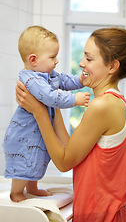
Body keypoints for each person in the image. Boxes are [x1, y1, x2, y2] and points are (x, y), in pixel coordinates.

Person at [15, 27, 126, 221]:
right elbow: (72, 151)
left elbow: (64, 162)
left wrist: (39, 112)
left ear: (112, 67)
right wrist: (51, 102)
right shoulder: (114, 101)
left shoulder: (103, 105)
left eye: (89, 58)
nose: (81, 62)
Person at [3, 25, 90, 203]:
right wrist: (75, 99)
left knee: (36, 161)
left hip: (37, 134)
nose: (56, 61)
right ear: (33, 60)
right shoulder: (31, 78)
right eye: (52, 57)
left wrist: (79, 80)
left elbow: (64, 80)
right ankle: (16, 192)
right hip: (24, 136)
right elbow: (51, 97)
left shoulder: (48, 75)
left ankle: (32, 187)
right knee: (24, 163)